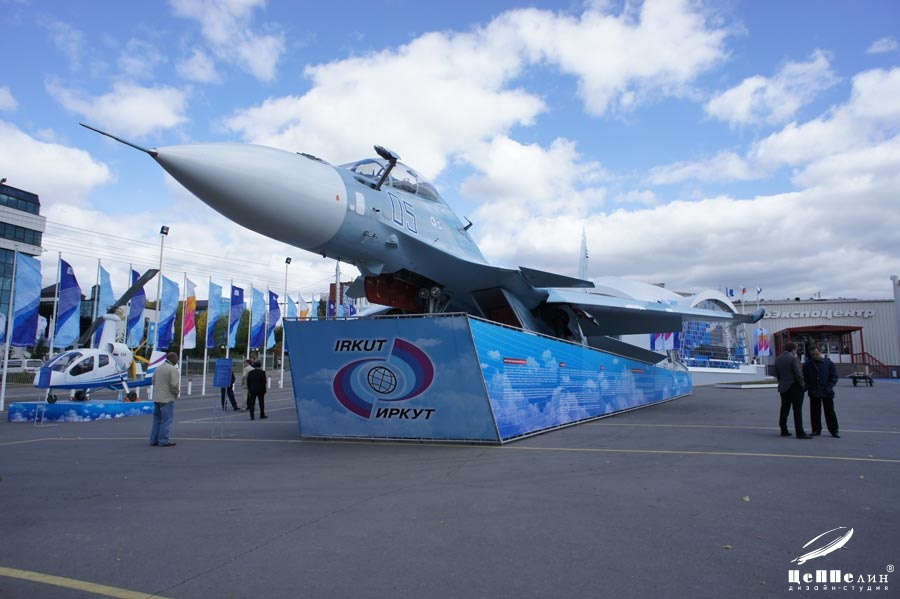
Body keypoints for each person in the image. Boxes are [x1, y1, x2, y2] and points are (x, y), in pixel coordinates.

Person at [773, 342, 811, 439]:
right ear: (794, 349)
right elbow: (798, 374)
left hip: (783, 387)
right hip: (794, 386)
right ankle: (800, 431)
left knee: (784, 408)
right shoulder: (793, 359)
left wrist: (781, 382)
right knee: (797, 409)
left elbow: (777, 374)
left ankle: (783, 429)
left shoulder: (778, 359)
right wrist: (803, 384)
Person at [803, 346, 840, 438]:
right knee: (815, 412)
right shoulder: (807, 364)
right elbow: (805, 377)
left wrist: (829, 387)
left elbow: (834, 376)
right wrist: (809, 387)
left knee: (830, 411)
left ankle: (834, 430)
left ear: (820, 352)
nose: (815, 356)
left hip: (827, 391)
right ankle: (816, 430)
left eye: (816, 354)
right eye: (813, 355)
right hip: (814, 391)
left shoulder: (828, 363)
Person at [150, 352, 180, 447]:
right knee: (166, 420)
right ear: (172, 359)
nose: (177, 361)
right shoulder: (173, 369)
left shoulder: (158, 368)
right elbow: (174, 385)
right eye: (176, 359)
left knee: (157, 420)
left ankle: (153, 440)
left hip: (157, 397)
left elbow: (153, 381)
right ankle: (163, 440)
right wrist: (176, 393)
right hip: (167, 398)